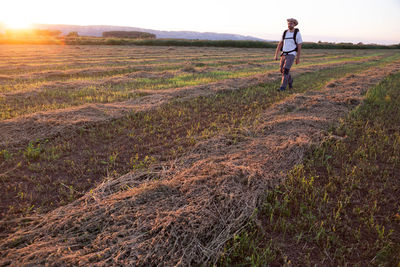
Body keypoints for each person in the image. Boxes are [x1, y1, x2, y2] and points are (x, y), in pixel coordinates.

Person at [274, 18, 303, 91]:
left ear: (294, 24)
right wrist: (276, 54)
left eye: (291, 23)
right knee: (282, 70)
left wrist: (298, 58)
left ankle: (282, 87)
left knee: (286, 70)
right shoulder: (284, 33)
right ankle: (290, 80)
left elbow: (299, 46)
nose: (289, 24)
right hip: (283, 54)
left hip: (291, 54)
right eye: (288, 23)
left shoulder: (297, 33)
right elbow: (280, 44)